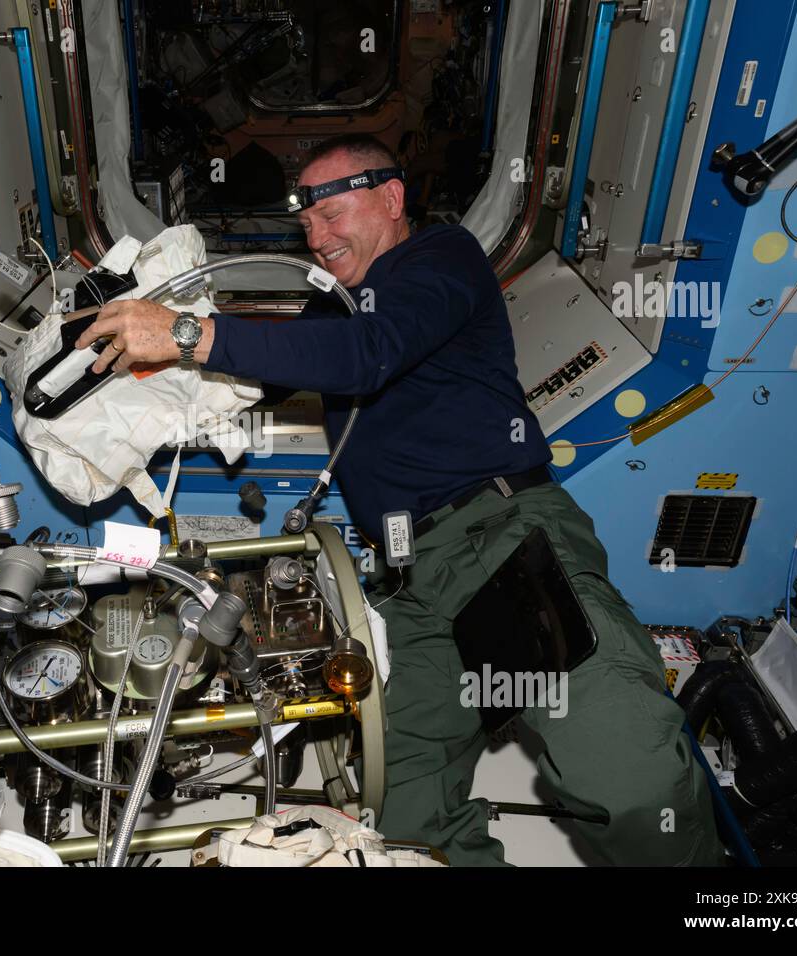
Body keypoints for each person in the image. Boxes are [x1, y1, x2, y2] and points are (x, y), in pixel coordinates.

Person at [76, 133, 723, 866]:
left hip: (499, 542)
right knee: (408, 812)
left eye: (332, 212)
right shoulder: (336, 316)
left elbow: (366, 353)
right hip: (412, 587)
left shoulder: (440, 258)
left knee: (626, 771)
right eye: (306, 224)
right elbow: (273, 367)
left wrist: (190, 332)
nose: (317, 238)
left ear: (392, 197)